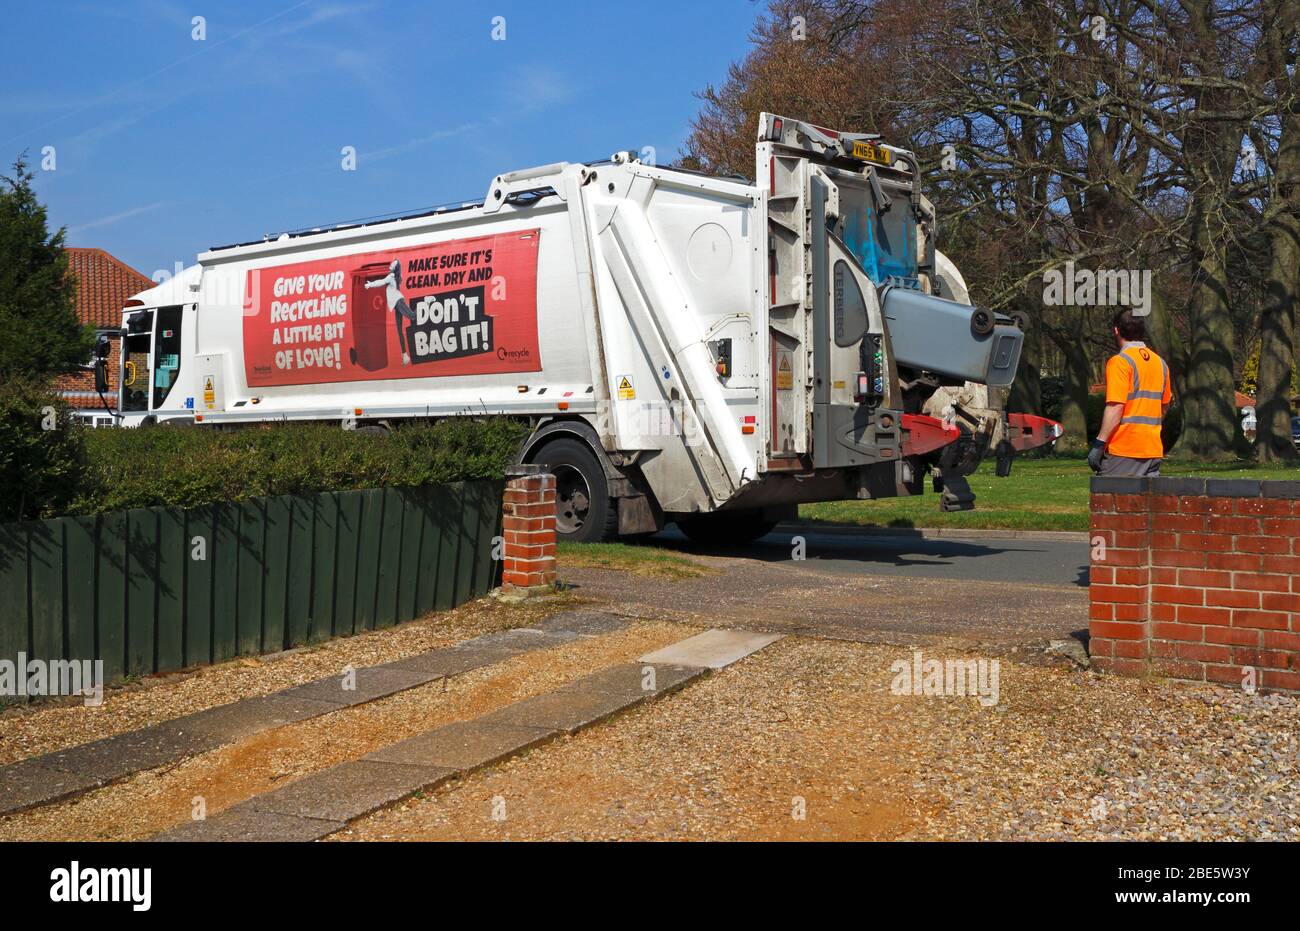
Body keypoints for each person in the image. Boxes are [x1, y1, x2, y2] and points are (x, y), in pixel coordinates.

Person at [1089, 308, 1172, 476]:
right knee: (1146, 502)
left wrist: (1099, 443)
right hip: (1152, 449)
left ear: (1116, 330)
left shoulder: (1120, 362)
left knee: (1110, 499)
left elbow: (1116, 407)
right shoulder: (1160, 363)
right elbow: (1164, 406)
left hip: (1125, 449)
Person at [365, 259, 416, 365]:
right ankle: (405, 355)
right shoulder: (395, 277)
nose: (391, 264)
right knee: (399, 331)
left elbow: (381, 282)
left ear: (395, 267)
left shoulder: (391, 276)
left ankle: (426, 302)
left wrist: (370, 285)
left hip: (398, 302)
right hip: (396, 304)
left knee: (412, 316)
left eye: (393, 264)